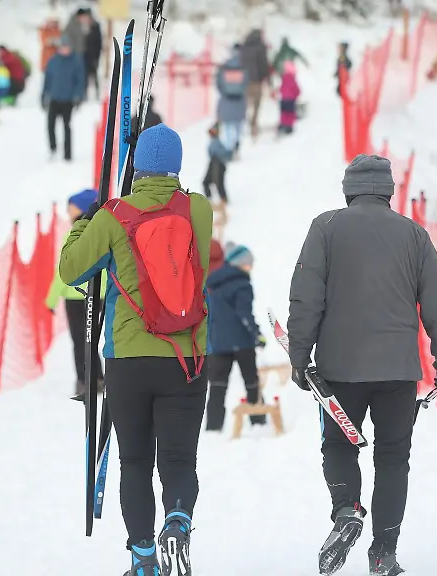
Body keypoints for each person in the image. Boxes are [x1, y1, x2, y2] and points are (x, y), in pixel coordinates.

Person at [286, 154, 437, 576]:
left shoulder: (325, 227)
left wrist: (299, 355)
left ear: (348, 190)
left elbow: (307, 296)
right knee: (394, 459)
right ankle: (384, 553)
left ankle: (347, 509)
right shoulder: (413, 235)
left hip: (339, 371)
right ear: (388, 192)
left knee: (338, 445)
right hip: (398, 371)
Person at [58, 124, 213, 576]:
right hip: (187, 358)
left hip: (128, 359)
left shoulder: (113, 216)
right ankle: (178, 521)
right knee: (179, 459)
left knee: (135, 463)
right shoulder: (198, 209)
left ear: (137, 167)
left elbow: (71, 271)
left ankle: (143, 560)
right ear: (177, 166)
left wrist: (85, 223)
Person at [46, 189, 106, 397]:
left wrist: (51, 299)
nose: (68, 211)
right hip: (97, 294)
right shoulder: (101, 230)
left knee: (80, 340)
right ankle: (98, 377)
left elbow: (63, 271)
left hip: (75, 296)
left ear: (81, 208)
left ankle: (84, 381)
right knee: (91, 338)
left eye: (70, 206)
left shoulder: (75, 234)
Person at [204, 242, 267, 432]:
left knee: (217, 385)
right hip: (242, 342)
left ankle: (214, 427)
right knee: (251, 382)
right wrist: (257, 335)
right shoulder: (242, 284)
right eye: (249, 263)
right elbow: (244, 314)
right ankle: (258, 422)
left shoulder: (214, 284)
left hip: (219, 342)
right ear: (241, 263)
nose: (250, 266)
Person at [42, 37, 85, 161]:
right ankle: (53, 149)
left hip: (68, 99)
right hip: (54, 98)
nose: (65, 50)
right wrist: (44, 95)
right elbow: (47, 80)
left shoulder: (76, 61)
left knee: (67, 126)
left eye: (67, 47)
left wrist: (78, 96)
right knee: (50, 125)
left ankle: (67, 154)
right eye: (63, 47)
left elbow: (80, 80)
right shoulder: (53, 61)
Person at [215, 44, 248, 152]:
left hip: (226, 100)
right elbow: (246, 83)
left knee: (228, 125)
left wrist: (225, 92)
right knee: (238, 124)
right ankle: (236, 143)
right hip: (239, 100)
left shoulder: (224, 67)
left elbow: (218, 83)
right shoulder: (244, 67)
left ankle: (229, 147)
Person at [239, 29, 271, 136]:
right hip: (257, 80)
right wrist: (267, 78)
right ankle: (253, 123)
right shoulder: (260, 47)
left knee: (246, 103)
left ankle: (244, 121)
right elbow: (263, 63)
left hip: (245, 80)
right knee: (256, 104)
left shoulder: (244, 47)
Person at [203, 123, 232, 204]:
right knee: (206, 182)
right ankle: (211, 199)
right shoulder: (214, 141)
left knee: (218, 183)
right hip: (213, 163)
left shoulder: (217, 142)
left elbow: (225, 153)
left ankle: (223, 200)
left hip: (218, 164)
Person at [278, 61, 301, 135]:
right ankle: (289, 126)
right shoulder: (292, 79)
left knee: (284, 112)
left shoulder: (284, 78)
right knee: (290, 113)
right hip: (290, 99)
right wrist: (296, 94)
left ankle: (282, 124)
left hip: (283, 99)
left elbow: (281, 88)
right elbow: (296, 89)